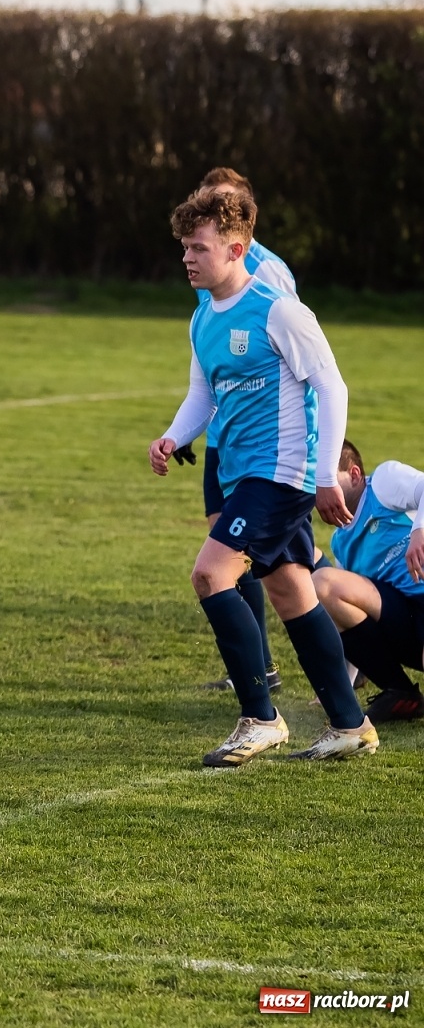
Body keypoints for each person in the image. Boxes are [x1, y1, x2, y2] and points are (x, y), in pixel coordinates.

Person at [148, 186, 375, 767]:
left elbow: (332, 386)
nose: (187, 258)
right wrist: (176, 435)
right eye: (184, 247)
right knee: (291, 591)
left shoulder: (278, 310)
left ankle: (260, 718)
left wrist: (326, 475)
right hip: (243, 471)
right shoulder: (203, 317)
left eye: (198, 247)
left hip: (282, 473)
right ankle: (350, 723)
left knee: (210, 574)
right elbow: (203, 393)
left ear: (236, 248)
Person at [171, 168, 297, 695]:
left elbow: (305, 369)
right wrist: (184, 430)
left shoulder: (270, 277)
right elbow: (209, 366)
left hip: (273, 452)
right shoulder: (205, 289)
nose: (212, 213)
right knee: (239, 556)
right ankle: (260, 667)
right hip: (226, 439)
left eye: (221, 206)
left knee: (286, 570)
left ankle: (278, 695)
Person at [312, 440, 424, 723]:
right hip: (403, 617)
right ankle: (399, 693)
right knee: (323, 583)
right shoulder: (341, 543)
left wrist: (419, 532)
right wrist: (342, 686)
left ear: (354, 475)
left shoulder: (383, 482)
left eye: (326, 480)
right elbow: (348, 623)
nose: (318, 492)